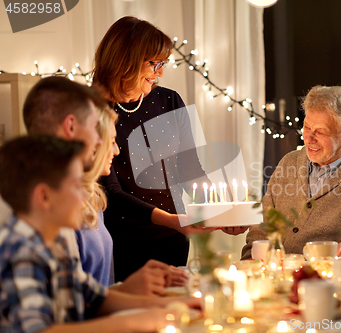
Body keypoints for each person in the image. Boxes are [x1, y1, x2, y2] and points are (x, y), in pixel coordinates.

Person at [92, 16, 245, 281]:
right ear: (126, 59)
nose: (161, 72)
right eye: (154, 63)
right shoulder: (91, 109)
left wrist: (221, 212)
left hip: (172, 240)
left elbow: (190, 169)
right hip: (122, 242)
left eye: (163, 63)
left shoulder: (169, 100)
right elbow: (111, 195)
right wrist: (172, 219)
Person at [0, 135, 198, 332]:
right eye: (78, 185)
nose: (87, 195)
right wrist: (132, 322)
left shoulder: (55, 241)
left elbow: (93, 298)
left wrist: (176, 306)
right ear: (44, 196)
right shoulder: (19, 250)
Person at [22, 76, 187, 295]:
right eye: (97, 129)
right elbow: (64, 321)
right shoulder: (51, 216)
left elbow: (91, 298)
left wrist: (134, 291)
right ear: (70, 127)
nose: (116, 149)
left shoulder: (90, 198)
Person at [241, 85, 341, 259]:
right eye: (307, 127)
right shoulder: (288, 163)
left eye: (320, 132)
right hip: (280, 277)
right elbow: (262, 230)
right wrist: (248, 262)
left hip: (329, 281)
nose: (308, 138)